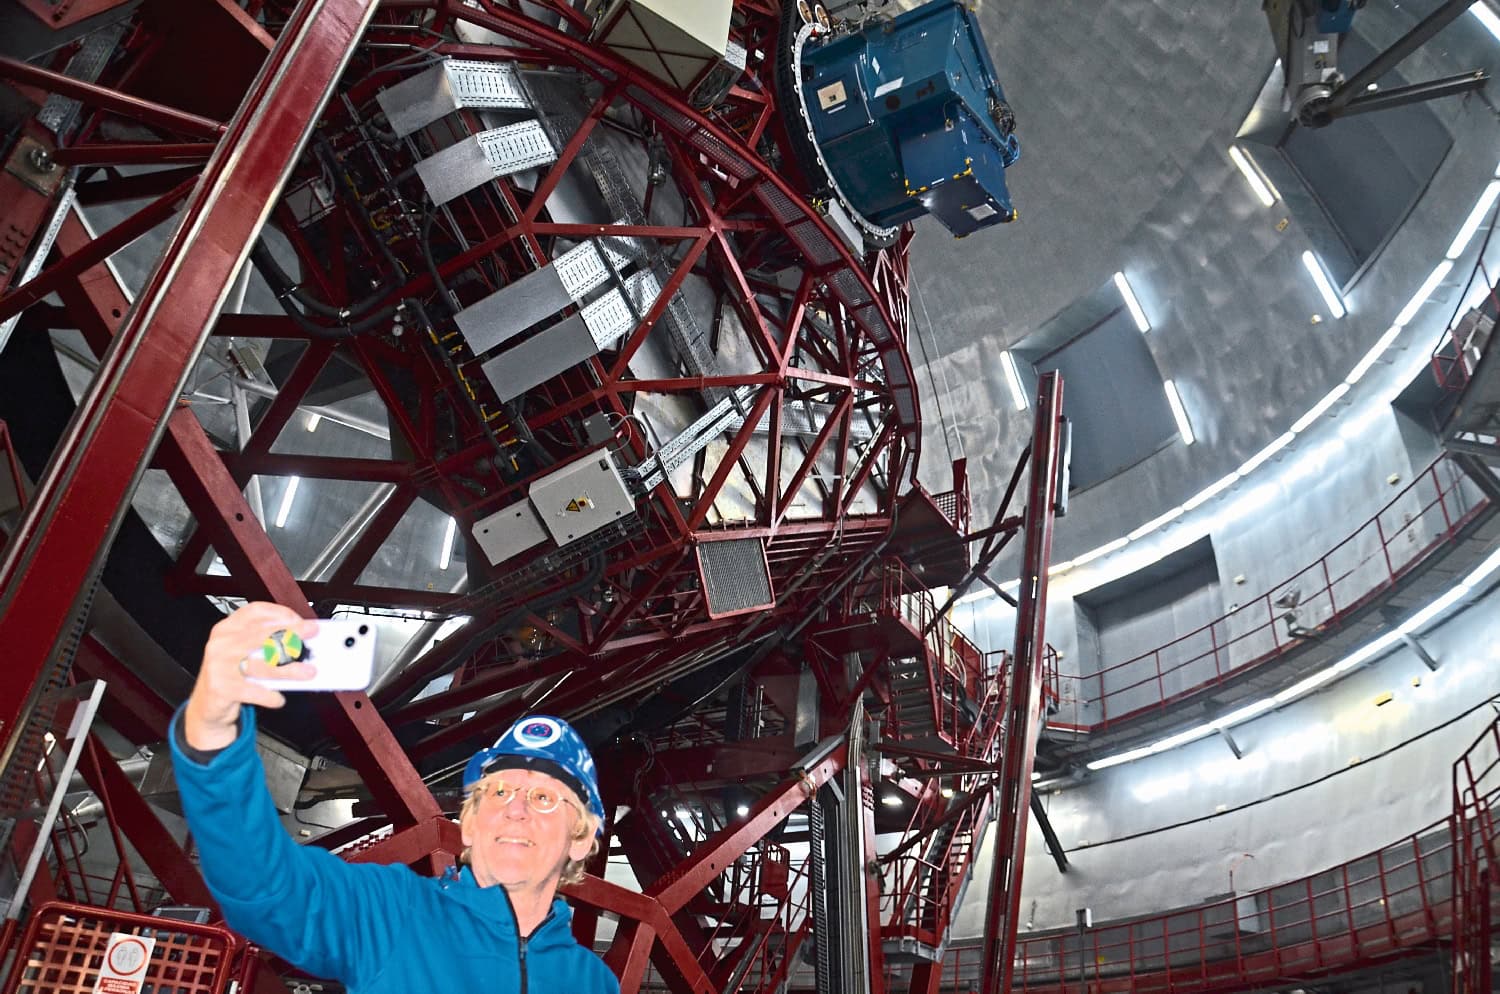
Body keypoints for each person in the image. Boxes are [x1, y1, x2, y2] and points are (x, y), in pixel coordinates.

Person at [171, 601, 619, 993]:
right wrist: (212, 728)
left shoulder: (592, 982)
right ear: (473, 822)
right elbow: (264, 882)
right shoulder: (391, 913)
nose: (515, 809)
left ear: (580, 839)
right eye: (498, 791)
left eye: (543, 798)